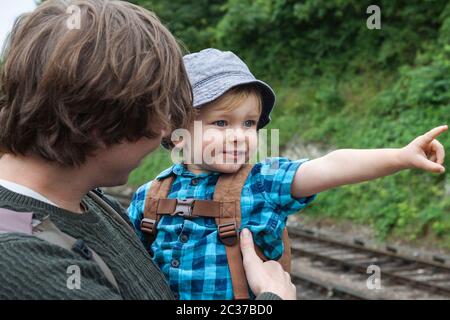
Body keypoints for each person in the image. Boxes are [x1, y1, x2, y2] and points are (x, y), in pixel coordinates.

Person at [0, 1, 294, 300]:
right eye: (161, 110)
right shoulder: (25, 264)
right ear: (101, 115)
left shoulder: (88, 201)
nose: (167, 130)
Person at [128, 48, 447, 300]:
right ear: (176, 131)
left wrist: (400, 157)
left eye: (249, 123)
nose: (239, 135)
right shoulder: (150, 195)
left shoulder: (263, 182)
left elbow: (330, 166)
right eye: (221, 123)